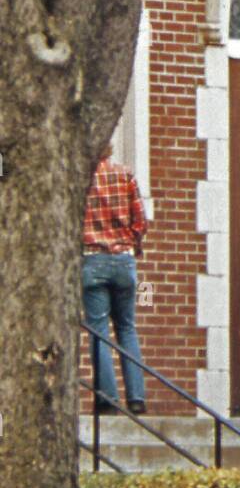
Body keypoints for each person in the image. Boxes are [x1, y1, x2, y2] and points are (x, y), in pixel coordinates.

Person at [82, 145, 150, 414]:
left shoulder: (83, 179)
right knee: (127, 328)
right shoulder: (125, 175)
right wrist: (130, 244)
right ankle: (136, 397)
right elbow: (141, 222)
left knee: (98, 331)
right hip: (124, 260)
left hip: (92, 258)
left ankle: (107, 399)